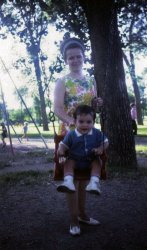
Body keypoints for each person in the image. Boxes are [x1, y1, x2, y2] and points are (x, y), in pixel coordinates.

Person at [54, 36, 104, 236]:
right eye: (71, 57)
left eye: (78, 56)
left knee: (84, 178)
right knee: (71, 179)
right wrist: (70, 121)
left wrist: (97, 105)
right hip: (69, 134)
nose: (75, 60)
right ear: (66, 60)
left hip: (89, 132)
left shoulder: (91, 80)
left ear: (84, 57)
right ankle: (73, 219)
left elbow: (92, 110)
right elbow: (57, 108)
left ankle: (83, 214)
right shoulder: (62, 81)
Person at [57, 105, 109, 196]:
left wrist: (100, 148)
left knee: (97, 163)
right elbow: (62, 145)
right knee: (68, 163)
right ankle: (68, 182)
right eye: (81, 121)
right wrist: (61, 152)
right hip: (75, 160)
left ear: (93, 122)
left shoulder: (97, 133)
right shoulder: (71, 135)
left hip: (91, 160)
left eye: (89, 122)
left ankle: (94, 183)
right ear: (75, 122)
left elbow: (106, 142)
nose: (85, 125)